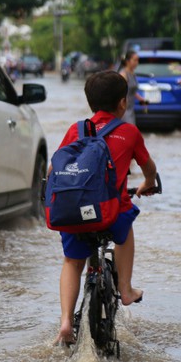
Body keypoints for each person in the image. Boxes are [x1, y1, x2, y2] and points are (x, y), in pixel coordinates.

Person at [51, 70, 158, 345]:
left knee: (72, 262)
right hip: (110, 213)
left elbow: (54, 167)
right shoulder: (129, 132)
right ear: (123, 103)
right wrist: (147, 183)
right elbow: (149, 168)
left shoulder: (76, 130)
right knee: (126, 225)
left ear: (90, 103)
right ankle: (125, 289)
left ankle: (65, 321)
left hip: (75, 213)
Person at [119, 50, 149, 125]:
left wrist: (141, 99)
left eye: (138, 60)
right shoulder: (123, 74)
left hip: (131, 108)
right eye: (135, 60)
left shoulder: (132, 73)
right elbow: (119, 92)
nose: (137, 63)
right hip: (124, 109)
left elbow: (132, 90)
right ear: (127, 61)